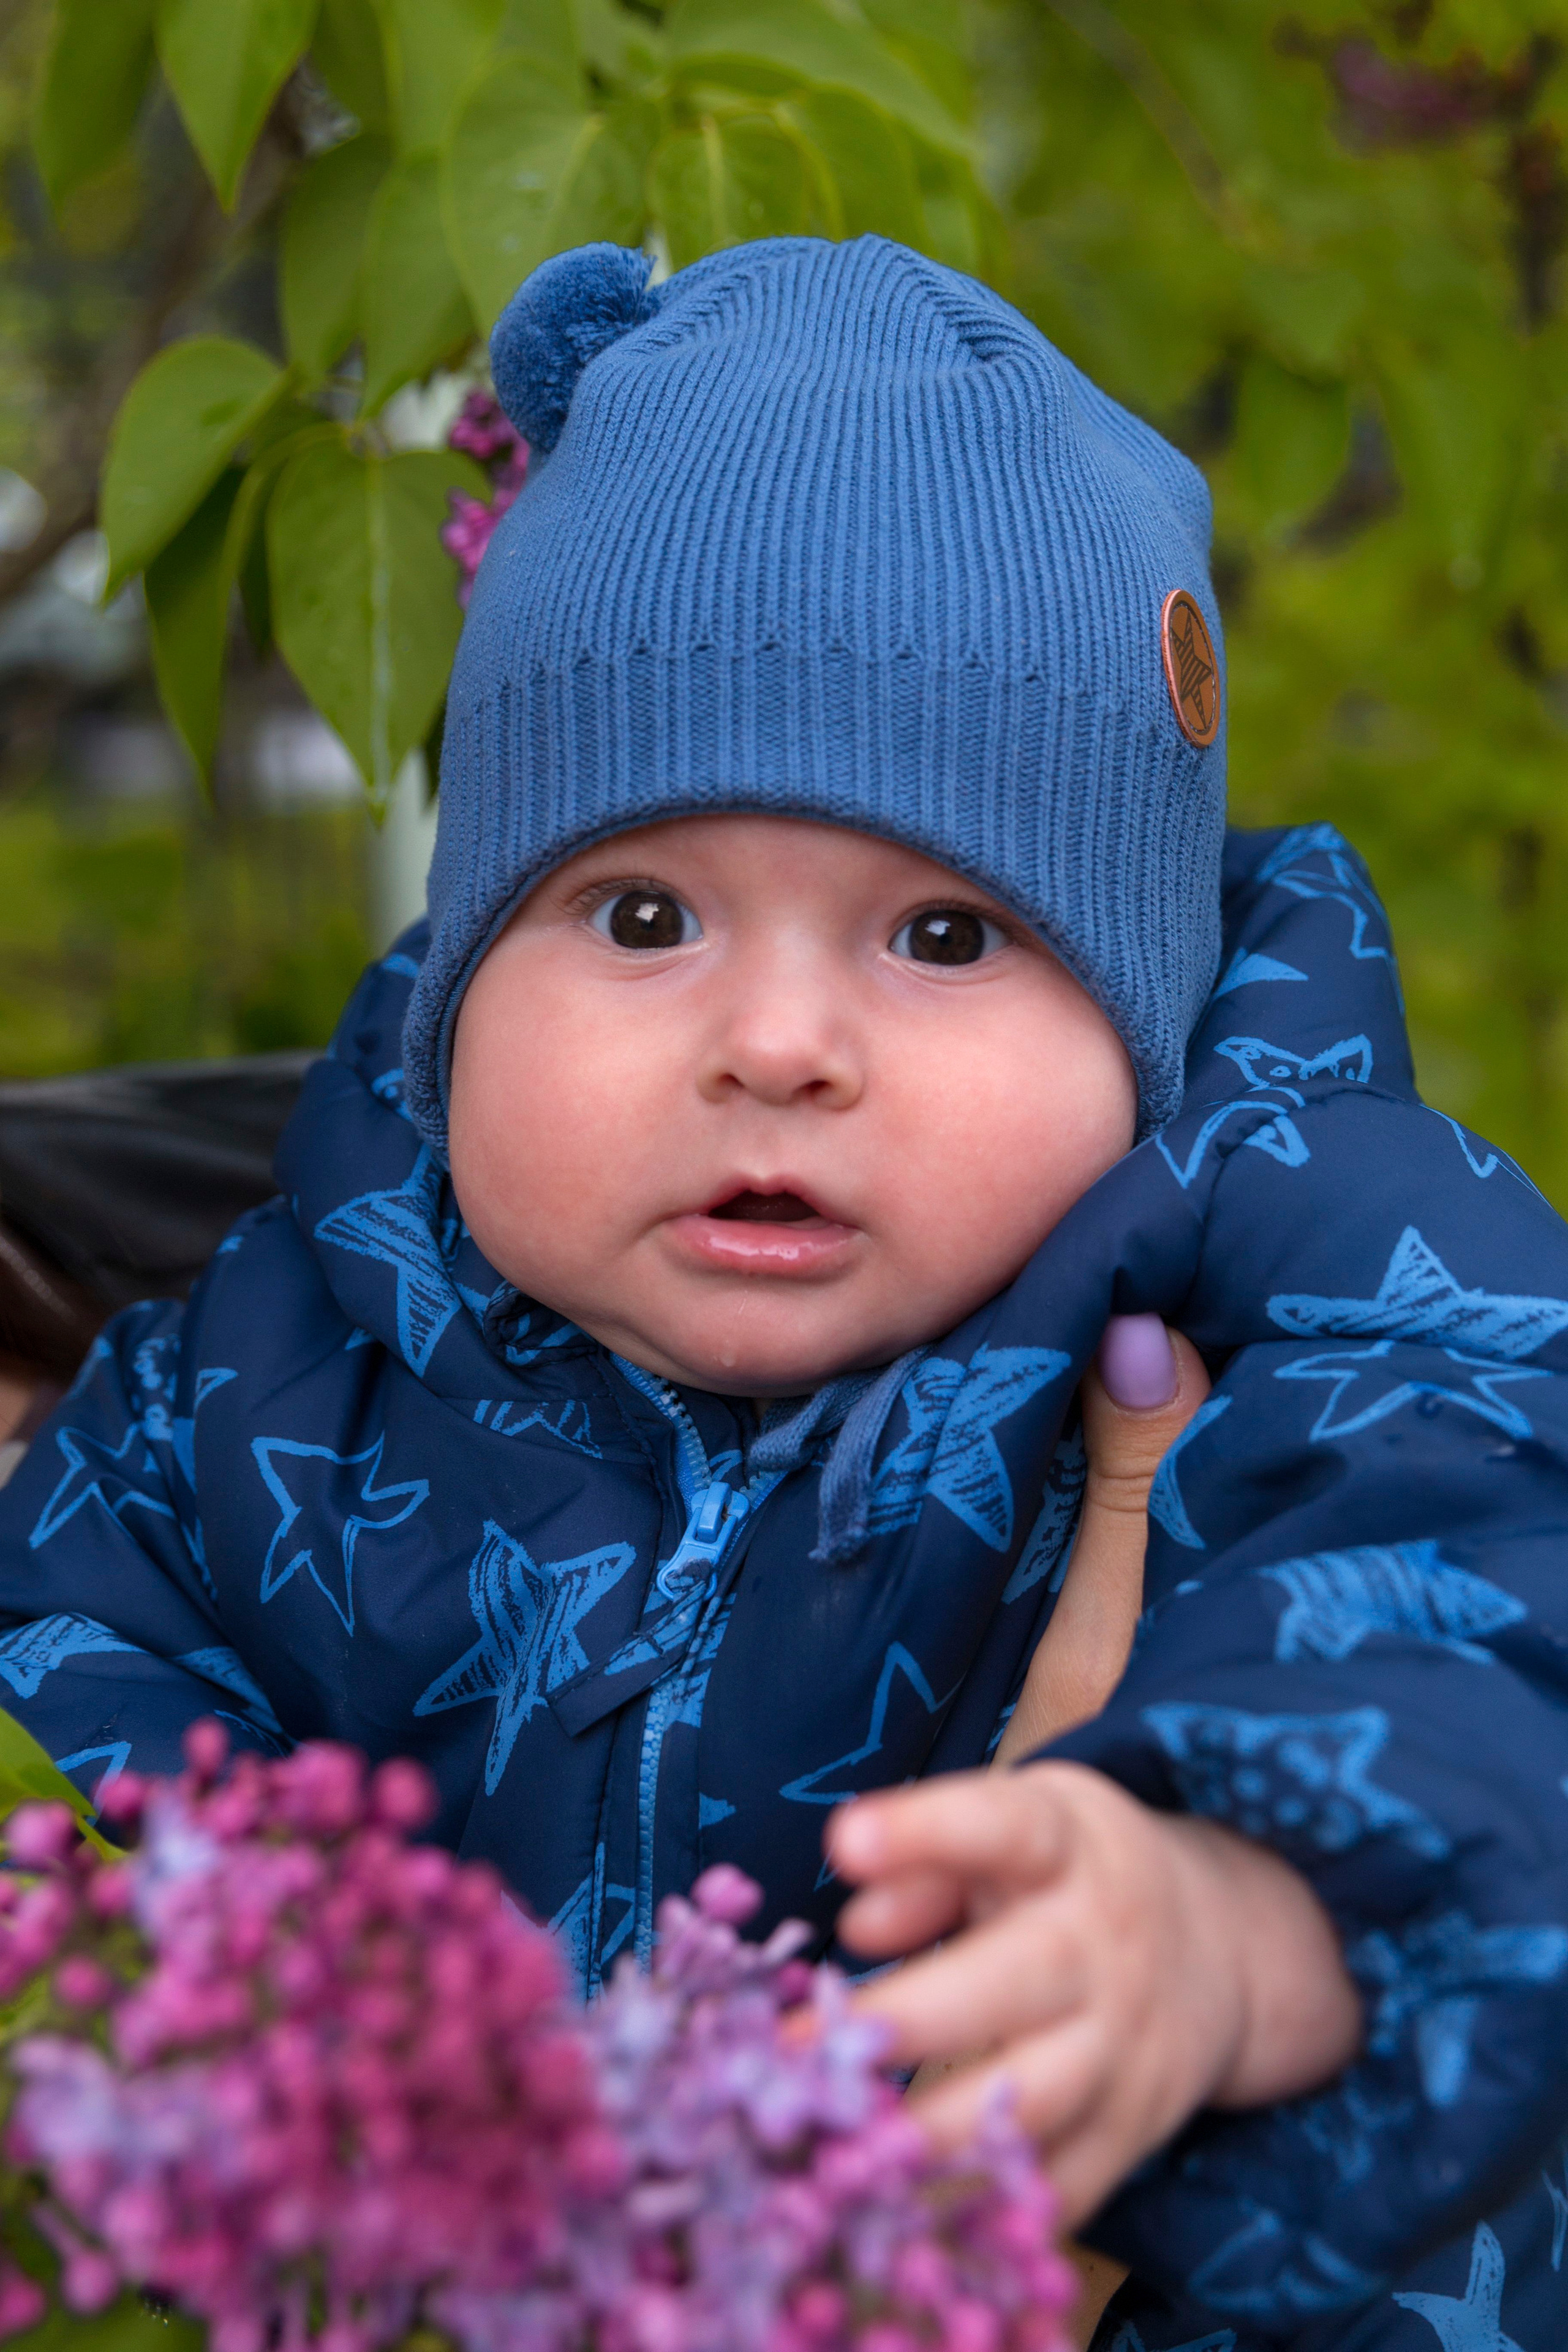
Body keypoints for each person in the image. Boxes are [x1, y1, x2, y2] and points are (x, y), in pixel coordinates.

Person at [1, 236, 1566, 2350]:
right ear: (465, 974)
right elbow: (87, 1688)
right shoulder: (282, 1371)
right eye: (642, 911)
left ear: (1147, 1020)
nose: (777, 1042)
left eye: (941, 939)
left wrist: (1228, 1915)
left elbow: (1490, 1627)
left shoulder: (1317, 1290)